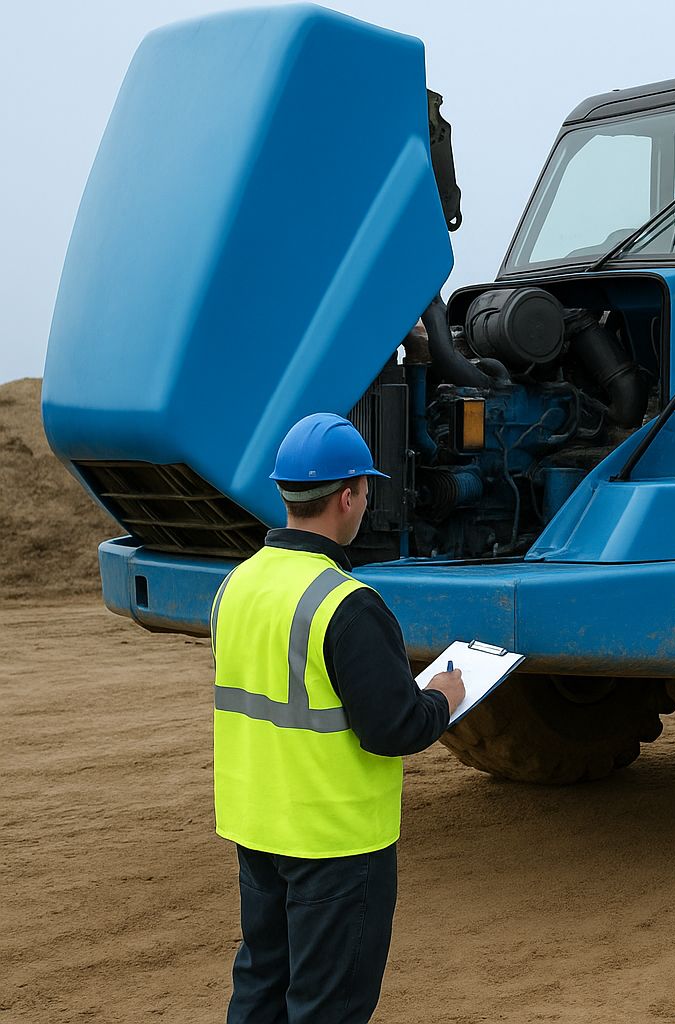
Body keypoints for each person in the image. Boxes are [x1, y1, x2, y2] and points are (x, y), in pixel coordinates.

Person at [211, 412, 465, 1024]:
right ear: (347, 496)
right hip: (335, 841)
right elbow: (394, 728)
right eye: (366, 489)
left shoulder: (236, 586)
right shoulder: (346, 605)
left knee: (261, 987)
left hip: (259, 826)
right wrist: (446, 698)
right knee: (329, 1007)